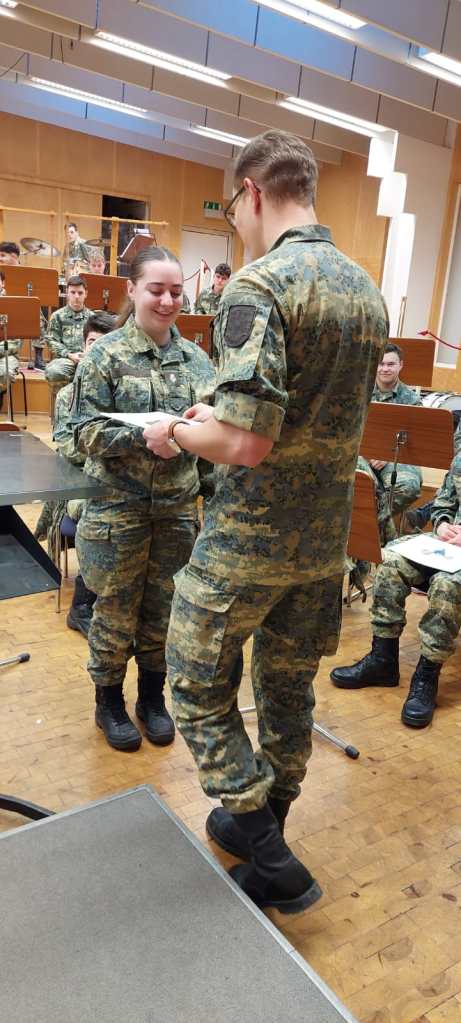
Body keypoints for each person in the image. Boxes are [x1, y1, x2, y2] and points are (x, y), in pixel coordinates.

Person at [143, 129, 389, 915]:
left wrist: (176, 430)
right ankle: (263, 821)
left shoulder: (258, 285)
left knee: (194, 684)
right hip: (323, 542)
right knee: (286, 688)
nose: (236, 225)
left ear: (250, 191)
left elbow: (247, 444)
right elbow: (304, 414)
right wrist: (217, 417)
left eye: (231, 209)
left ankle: (273, 857)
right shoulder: (364, 289)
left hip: (248, 541)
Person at [72, 246, 216, 753]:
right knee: (114, 611)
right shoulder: (105, 356)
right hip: (119, 510)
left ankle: (151, 699)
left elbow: (212, 443)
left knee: (164, 610)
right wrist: (143, 438)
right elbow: (81, 432)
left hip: (176, 511)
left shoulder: (198, 361)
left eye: (176, 291)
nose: (168, 300)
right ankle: (108, 701)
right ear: (131, 290)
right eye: (156, 290)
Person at [330, 450, 461, 729]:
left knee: (447, 584)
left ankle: (427, 676)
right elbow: (444, 502)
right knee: (389, 559)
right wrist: (442, 524)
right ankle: (383, 660)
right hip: (448, 545)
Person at [46, 311, 116, 637]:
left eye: (104, 344)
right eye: (91, 343)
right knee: (102, 511)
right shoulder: (68, 396)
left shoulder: (122, 392)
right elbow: (66, 446)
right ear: (83, 345)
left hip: (113, 477)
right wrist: (107, 450)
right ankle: (81, 606)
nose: (96, 350)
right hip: (78, 482)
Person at [367, 342, 422, 517]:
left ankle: (372, 524)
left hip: (396, 458)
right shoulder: (360, 392)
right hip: (360, 455)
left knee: (409, 487)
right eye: (381, 364)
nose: (385, 369)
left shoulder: (412, 400)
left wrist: (387, 455)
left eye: (390, 364)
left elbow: (415, 442)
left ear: (401, 365)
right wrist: (367, 453)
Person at [0, 242, 47, 369]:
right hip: (5, 307)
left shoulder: (27, 273)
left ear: (14, 256)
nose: (0, 258)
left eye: (3, 255)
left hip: (23, 305)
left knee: (38, 314)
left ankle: (38, 354)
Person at [44, 276, 92, 395]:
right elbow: (51, 341)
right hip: (65, 360)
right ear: (67, 293)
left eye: (80, 293)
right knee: (53, 371)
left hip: (88, 360)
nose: (76, 296)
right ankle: (65, 398)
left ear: (86, 294)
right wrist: (69, 354)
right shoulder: (57, 316)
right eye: (73, 292)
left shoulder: (92, 318)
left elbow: (98, 342)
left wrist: (86, 355)